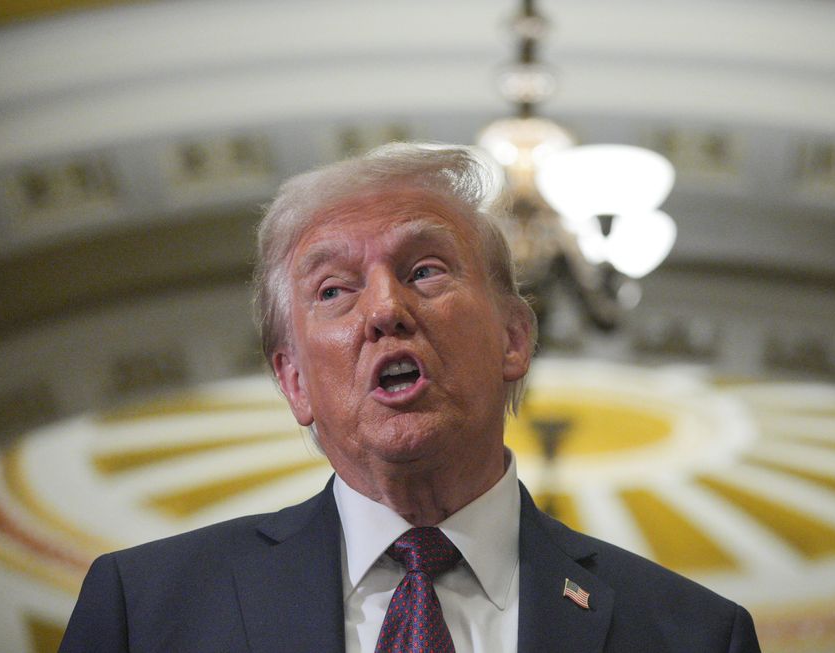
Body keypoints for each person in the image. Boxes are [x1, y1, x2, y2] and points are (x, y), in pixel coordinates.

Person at [59, 143, 761, 652]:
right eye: (334, 289)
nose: (385, 308)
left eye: (425, 270)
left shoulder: (691, 635)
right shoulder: (146, 612)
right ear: (294, 380)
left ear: (514, 337)